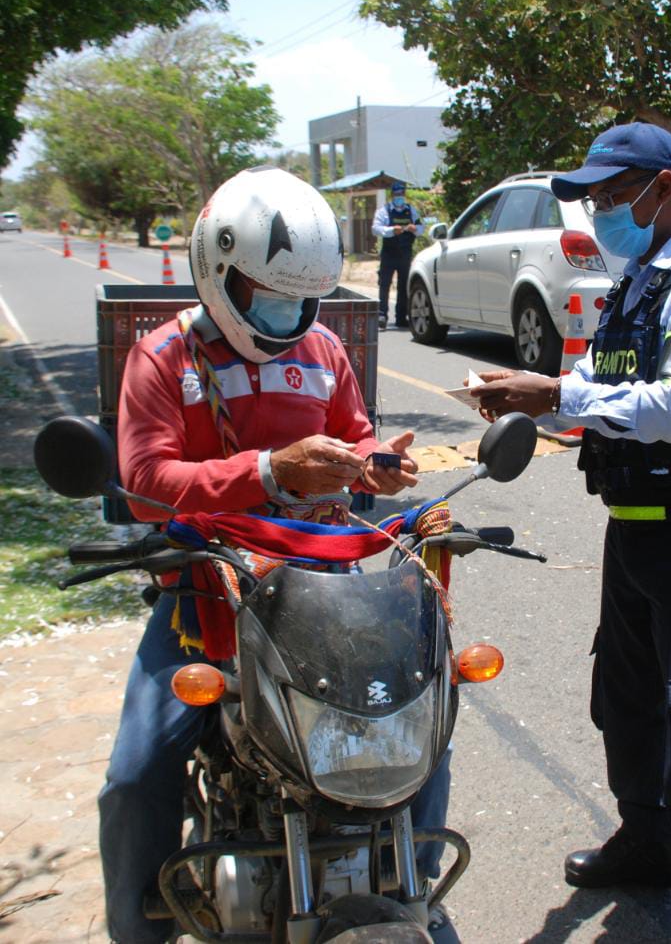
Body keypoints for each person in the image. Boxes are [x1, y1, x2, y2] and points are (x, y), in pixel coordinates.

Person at [104, 166, 453, 942]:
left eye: (302, 297)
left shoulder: (325, 347)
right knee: (135, 776)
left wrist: (373, 463)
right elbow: (144, 483)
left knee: (423, 727)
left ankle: (416, 885)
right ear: (219, 270)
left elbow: (353, 439)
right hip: (210, 599)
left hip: (324, 590)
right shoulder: (161, 360)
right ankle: (140, 926)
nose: (289, 313)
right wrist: (267, 470)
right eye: (272, 295)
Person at [471, 122, 671, 944]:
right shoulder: (641, 277)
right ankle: (650, 844)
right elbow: (608, 382)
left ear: (662, 189)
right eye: (596, 198)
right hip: (636, 531)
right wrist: (538, 390)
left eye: (612, 196)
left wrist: (555, 399)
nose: (601, 212)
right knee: (628, 702)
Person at [372, 179, 421, 329]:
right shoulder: (384, 211)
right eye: (396, 194)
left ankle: (401, 317)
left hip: (405, 254)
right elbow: (376, 228)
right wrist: (391, 230)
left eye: (401, 193)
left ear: (404, 194)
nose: (399, 196)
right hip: (389, 254)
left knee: (403, 286)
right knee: (384, 284)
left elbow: (421, 228)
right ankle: (382, 315)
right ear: (392, 195)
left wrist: (414, 228)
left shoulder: (411, 210)